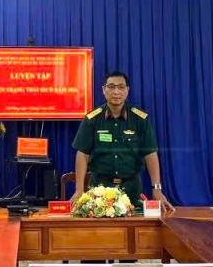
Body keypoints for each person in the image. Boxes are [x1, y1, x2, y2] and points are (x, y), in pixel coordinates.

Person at [70, 71, 175, 213]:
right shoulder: (92, 119)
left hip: (131, 190)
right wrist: (79, 189)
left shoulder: (140, 119)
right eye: (111, 87)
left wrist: (157, 189)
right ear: (103, 90)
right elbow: (82, 153)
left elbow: (150, 154)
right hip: (99, 190)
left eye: (121, 87)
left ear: (127, 90)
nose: (116, 92)